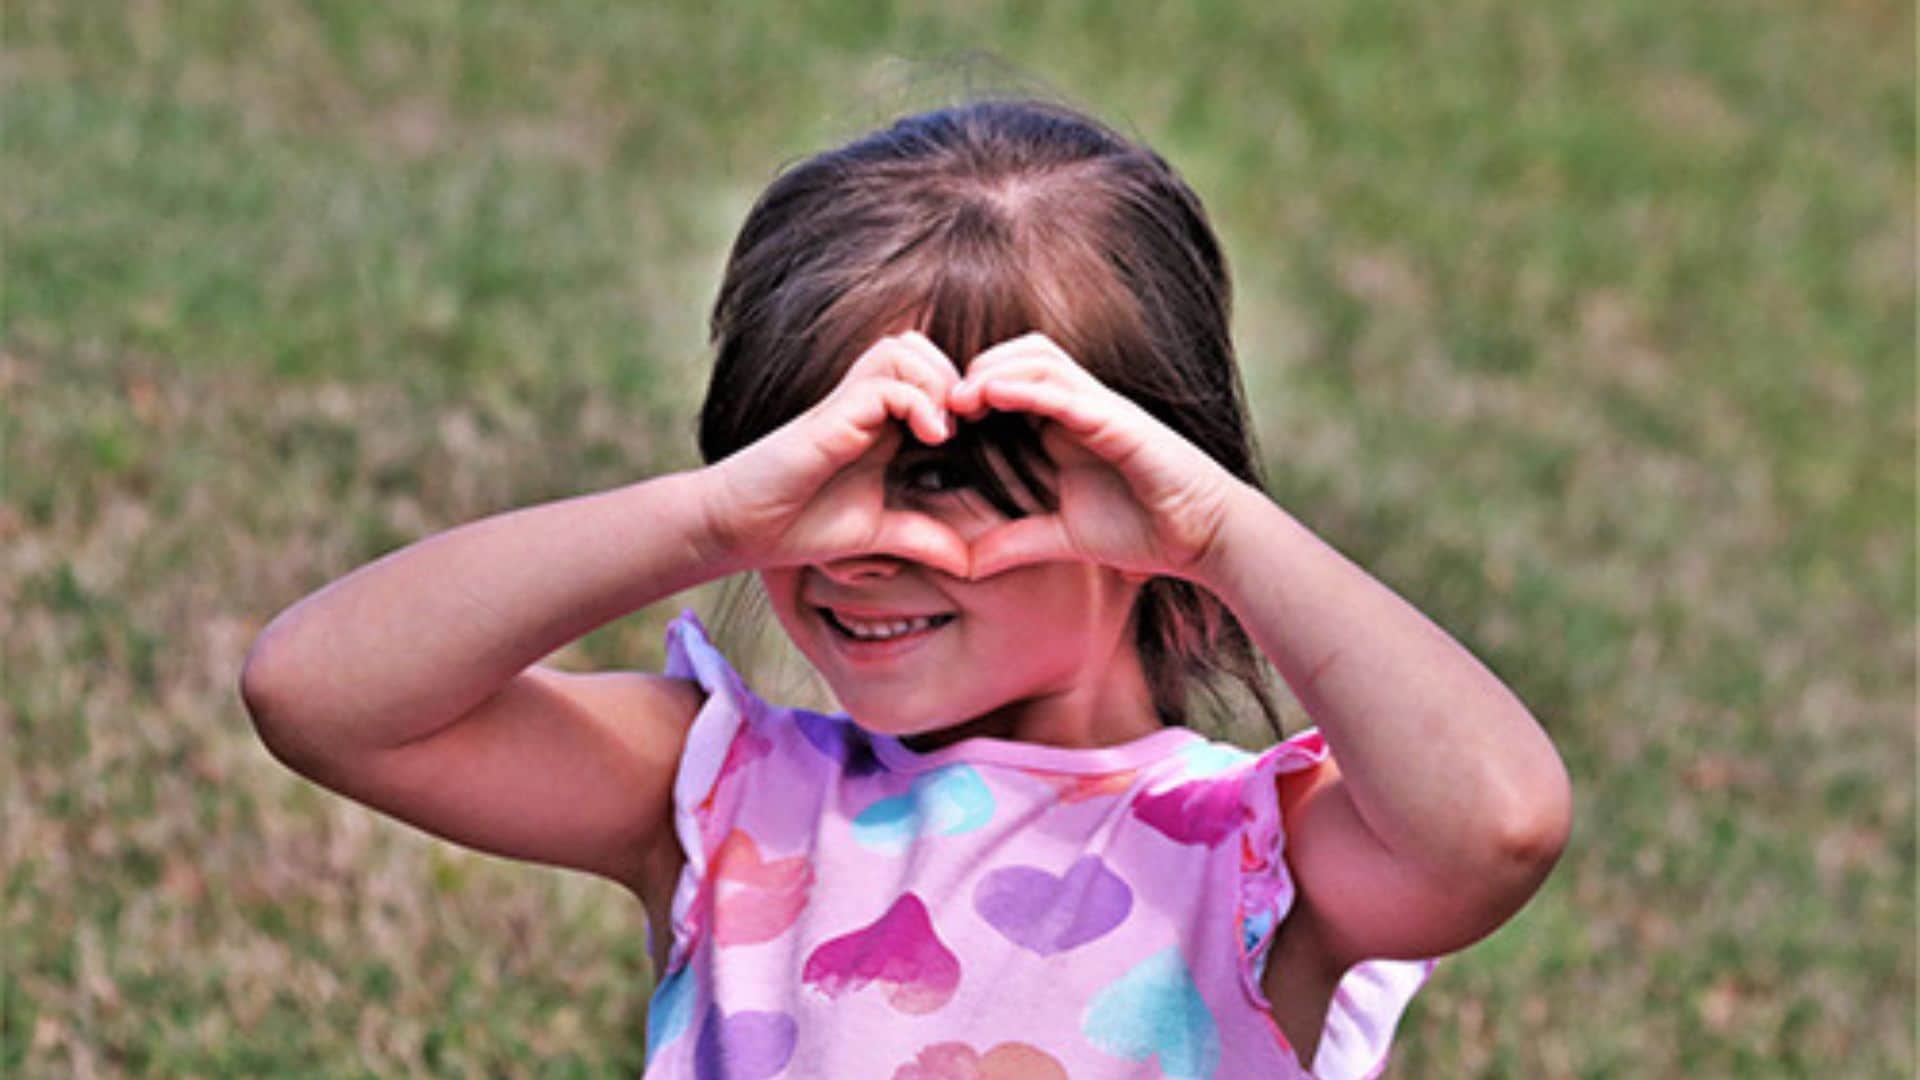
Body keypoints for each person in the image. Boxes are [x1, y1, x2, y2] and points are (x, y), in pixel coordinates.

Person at [239, 97, 1572, 1079]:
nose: (854, 548)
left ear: (1137, 492)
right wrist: (710, 517)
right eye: (814, 473)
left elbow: (1499, 826)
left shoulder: (1252, 856)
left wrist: (1221, 531)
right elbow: (320, 695)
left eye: (940, 485)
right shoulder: (721, 794)